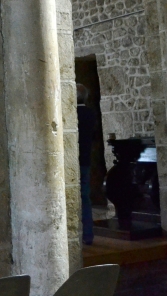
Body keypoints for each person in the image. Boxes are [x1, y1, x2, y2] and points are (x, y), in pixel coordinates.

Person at [77, 83, 97, 245]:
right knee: (85, 198)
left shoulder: (72, 113)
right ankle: (88, 236)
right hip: (86, 160)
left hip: (74, 161)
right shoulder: (90, 113)